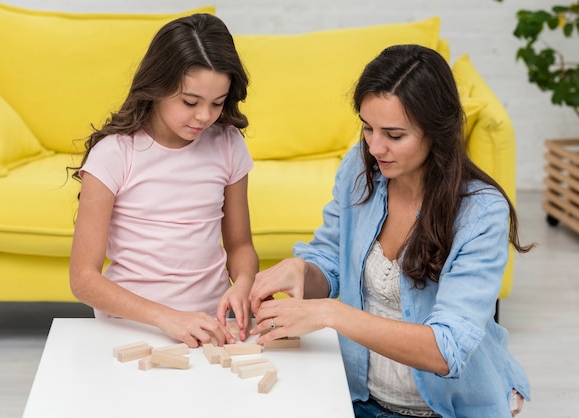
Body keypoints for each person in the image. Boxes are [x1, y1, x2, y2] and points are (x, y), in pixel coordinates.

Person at [249, 44, 532, 417]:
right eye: (368, 127)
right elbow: (330, 262)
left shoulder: (480, 213)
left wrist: (331, 314)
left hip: (449, 408)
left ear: (437, 133)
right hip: (361, 399)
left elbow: (446, 349)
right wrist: (302, 271)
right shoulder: (360, 168)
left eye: (394, 135)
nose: (375, 146)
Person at [69, 13, 258, 348]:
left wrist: (243, 284)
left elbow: (240, 245)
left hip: (209, 326)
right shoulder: (115, 154)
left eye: (217, 103)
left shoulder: (227, 144)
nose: (204, 116)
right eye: (190, 102)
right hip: (132, 329)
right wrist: (167, 318)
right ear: (157, 86)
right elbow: (83, 279)